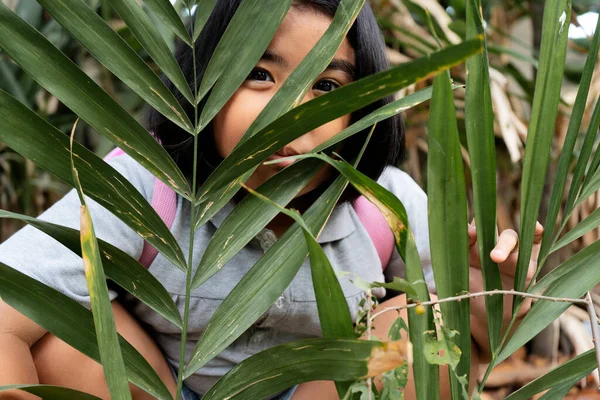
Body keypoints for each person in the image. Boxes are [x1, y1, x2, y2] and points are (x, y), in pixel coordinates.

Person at [0, 1, 542, 399]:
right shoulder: (147, 186)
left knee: (425, 325)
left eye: (327, 88)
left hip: (312, 393)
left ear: (363, 110)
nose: (289, 110)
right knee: (59, 331)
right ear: (203, 86)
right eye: (260, 74)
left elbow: (469, 346)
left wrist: (488, 285)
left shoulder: (381, 204)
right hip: (160, 388)